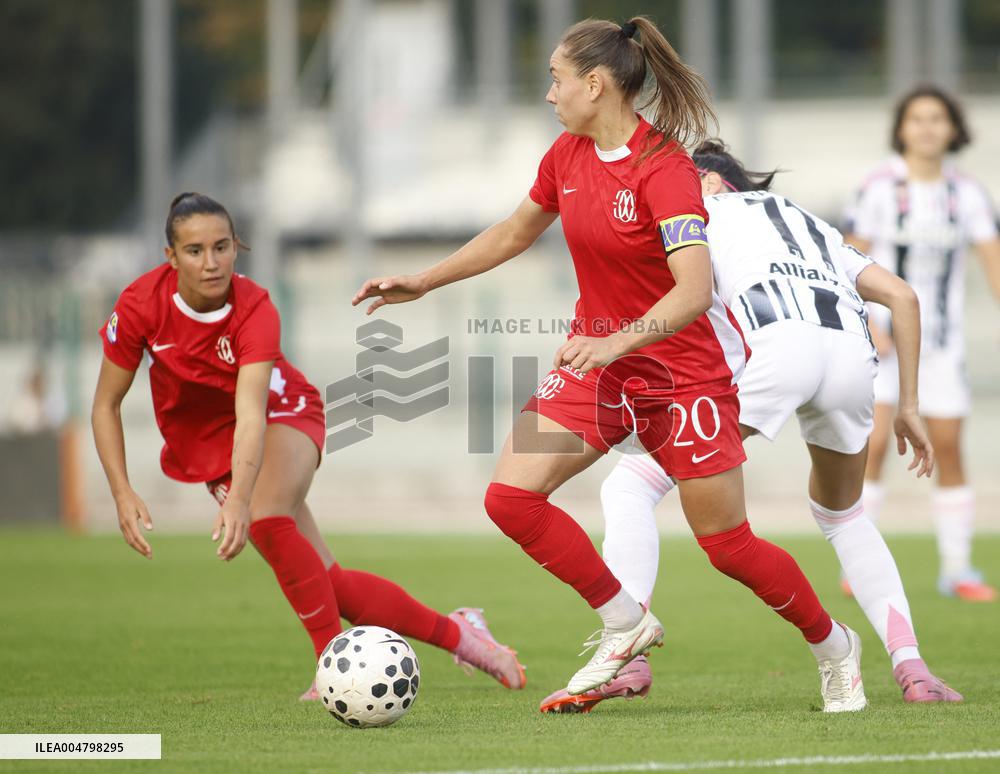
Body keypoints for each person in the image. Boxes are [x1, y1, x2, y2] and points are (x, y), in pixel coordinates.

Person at [354, 18, 865, 712]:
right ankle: (626, 622)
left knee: (728, 547)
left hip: (682, 378)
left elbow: (694, 290)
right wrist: (424, 280)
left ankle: (834, 646)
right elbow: (513, 232)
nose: (548, 94)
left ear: (594, 85)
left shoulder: (666, 171)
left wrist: (615, 341)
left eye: (556, 79)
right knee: (510, 497)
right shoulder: (565, 155)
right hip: (600, 370)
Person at [539, 140, 961, 714]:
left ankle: (627, 654)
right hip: (849, 359)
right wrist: (908, 403)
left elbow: (679, 301)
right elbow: (902, 297)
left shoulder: (695, 216)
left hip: (771, 351)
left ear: (709, 184)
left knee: (631, 483)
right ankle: (912, 667)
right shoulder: (805, 220)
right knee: (843, 514)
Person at [91, 192, 525, 700]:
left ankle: (330, 670)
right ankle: (465, 636)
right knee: (327, 584)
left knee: (269, 516)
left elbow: (251, 414)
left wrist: (238, 499)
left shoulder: (253, 308)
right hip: (210, 442)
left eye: (222, 247)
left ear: (237, 248)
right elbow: (105, 405)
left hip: (282, 414)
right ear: (170, 257)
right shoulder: (140, 306)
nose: (210, 262)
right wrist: (121, 491)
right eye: (194, 250)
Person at [844, 86, 1000, 602]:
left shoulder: (969, 193)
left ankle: (957, 569)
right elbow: (847, 260)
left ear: (954, 128)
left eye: (938, 118)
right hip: (883, 344)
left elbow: (992, 262)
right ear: (902, 128)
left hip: (941, 346)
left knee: (950, 447)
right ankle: (859, 567)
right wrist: (868, 323)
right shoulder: (879, 187)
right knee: (876, 447)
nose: (928, 128)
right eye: (918, 119)